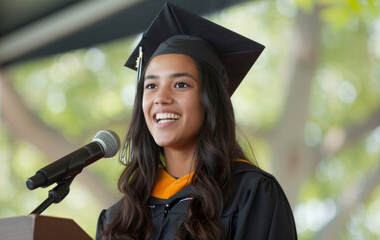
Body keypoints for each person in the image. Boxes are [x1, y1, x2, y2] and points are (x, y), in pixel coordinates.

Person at [96, 2, 297, 240]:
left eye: (181, 84)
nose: (161, 98)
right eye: (151, 86)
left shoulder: (251, 194)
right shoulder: (120, 217)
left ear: (210, 100)